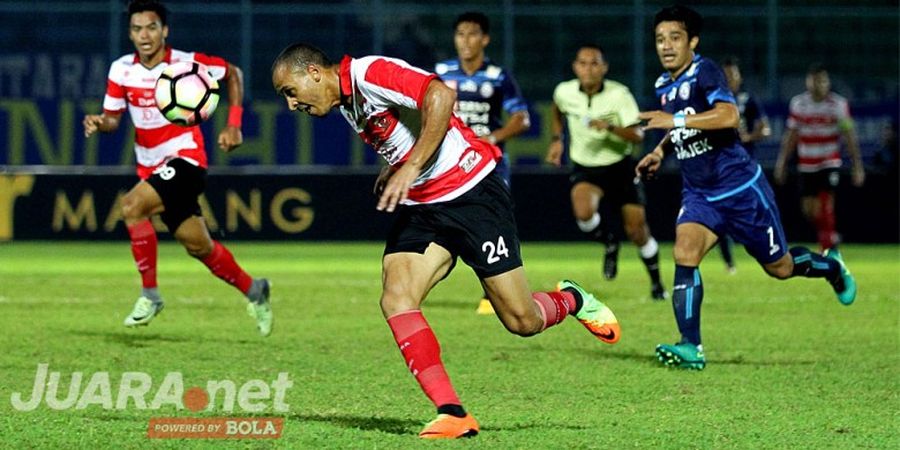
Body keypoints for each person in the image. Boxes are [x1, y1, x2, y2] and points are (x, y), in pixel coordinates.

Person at [272, 43, 620, 438]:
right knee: (396, 297)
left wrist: (413, 165)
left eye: (289, 91)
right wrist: (396, 165)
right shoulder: (347, 102)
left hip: (472, 193)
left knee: (522, 321)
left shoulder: (369, 73)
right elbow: (406, 127)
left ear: (314, 73)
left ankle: (571, 299)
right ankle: (452, 412)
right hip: (424, 207)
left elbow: (440, 95)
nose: (290, 104)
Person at [636, 5, 856, 370]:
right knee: (684, 253)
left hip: (740, 190)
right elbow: (685, 128)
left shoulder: (704, 70)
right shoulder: (664, 84)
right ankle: (691, 347)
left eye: (675, 37)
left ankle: (832, 268)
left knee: (780, 268)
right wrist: (661, 151)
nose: (666, 46)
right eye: (660, 39)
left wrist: (674, 119)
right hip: (700, 193)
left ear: (693, 41)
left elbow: (728, 116)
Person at [82, 0, 272, 336]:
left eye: (151, 27)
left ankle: (150, 295)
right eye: (137, 28)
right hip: (150, 167)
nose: (145, 35)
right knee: (198, 245)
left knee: (132, 206)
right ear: (130, 33)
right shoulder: (121, 69)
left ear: (164, 31)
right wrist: (101, 122)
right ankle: (255, 289)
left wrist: (234, 124)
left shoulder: (187, 64)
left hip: (186, 159)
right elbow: (113, 118)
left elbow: (234, 74)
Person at [546, 44, 666, 300]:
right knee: (583, 214)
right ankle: (610, 241)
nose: (588, 69)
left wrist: (609, 127)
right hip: (586, 168)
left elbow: (637, 135)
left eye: (594, 63)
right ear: (575, 67)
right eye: (583, 63)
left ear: (604, 68)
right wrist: (558, 139)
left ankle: (657, 284)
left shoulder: (619, 95)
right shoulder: (564, 91)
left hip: (620, 168)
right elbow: (557, 107)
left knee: (637, 231)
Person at [435, 11, 531, 314]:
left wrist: (493, 137)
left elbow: (522, 118)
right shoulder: (441, 72)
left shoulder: (499, 76)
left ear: (485, 39)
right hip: (449, 163)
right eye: (460, 34)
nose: (465, 40)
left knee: (493, 223)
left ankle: (498, 292)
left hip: (489, 164)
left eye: (472, 33)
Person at [775, 63, 865, 251]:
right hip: (807, 164)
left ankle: (827, 246)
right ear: (808, 82)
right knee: (809, 210)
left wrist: (857, 165)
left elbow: (849, 136)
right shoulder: (799, 104)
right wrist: (781, 162)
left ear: (828, 82)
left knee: (826, 203)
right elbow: (791, 135)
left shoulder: (838, 105)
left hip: (829, 161)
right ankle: (830, 234)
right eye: (815, 80)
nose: (819, 84)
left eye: (823, 80)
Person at [717, 56, 773, 273]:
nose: (729, 79)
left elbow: (765, 129)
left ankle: (768, 254)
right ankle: (730, 263)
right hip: (720, 169)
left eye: (732, 75)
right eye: (725, 76)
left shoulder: (748, 100)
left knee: (751, 215)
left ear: (739, 77)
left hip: (744, 168)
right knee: (720, 217)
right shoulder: (712, 102)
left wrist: (747, 137)